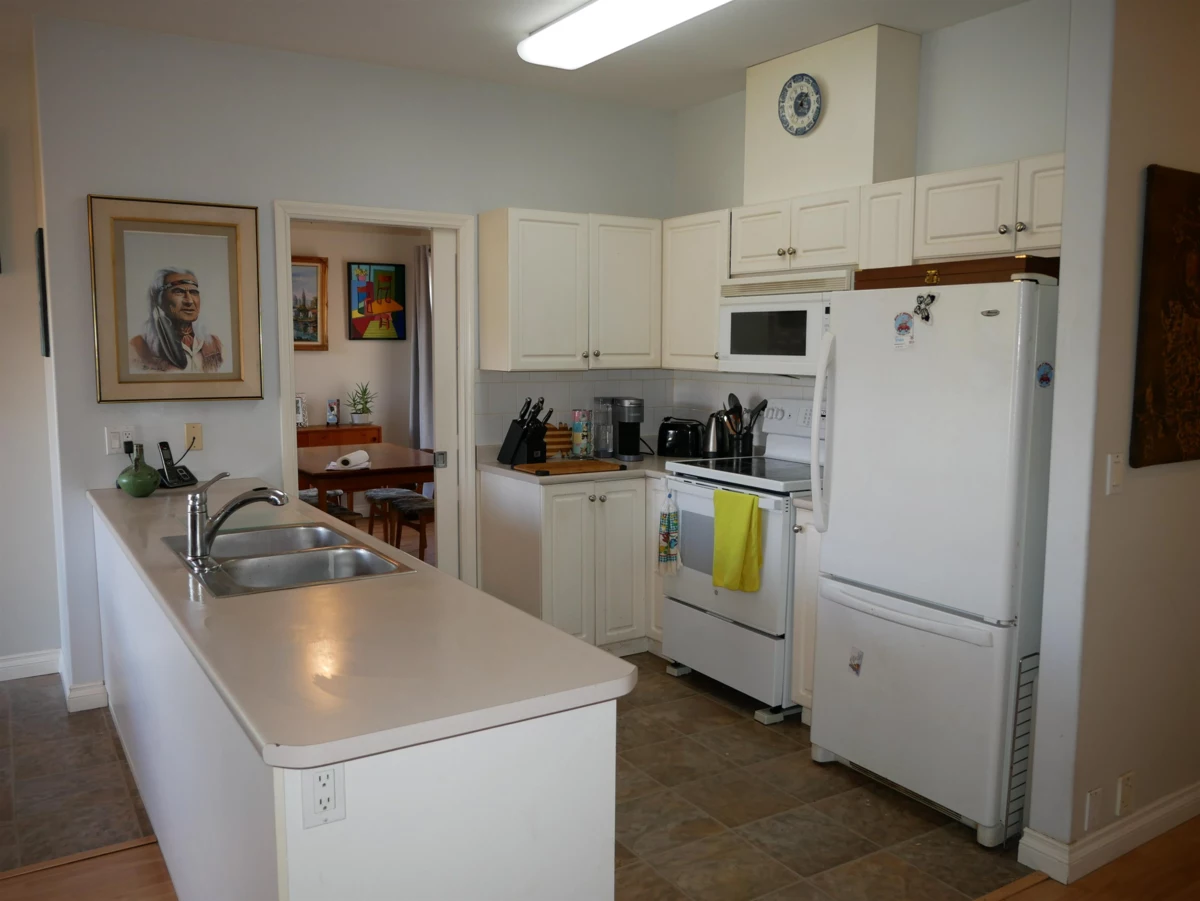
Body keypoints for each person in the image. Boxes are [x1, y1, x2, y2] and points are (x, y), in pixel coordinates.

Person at [129, 268, 226, 373]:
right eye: (178, 292)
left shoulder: (214, 345)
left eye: (194, 292)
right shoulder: (138, 347)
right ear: (160, 300)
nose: (189, 301)